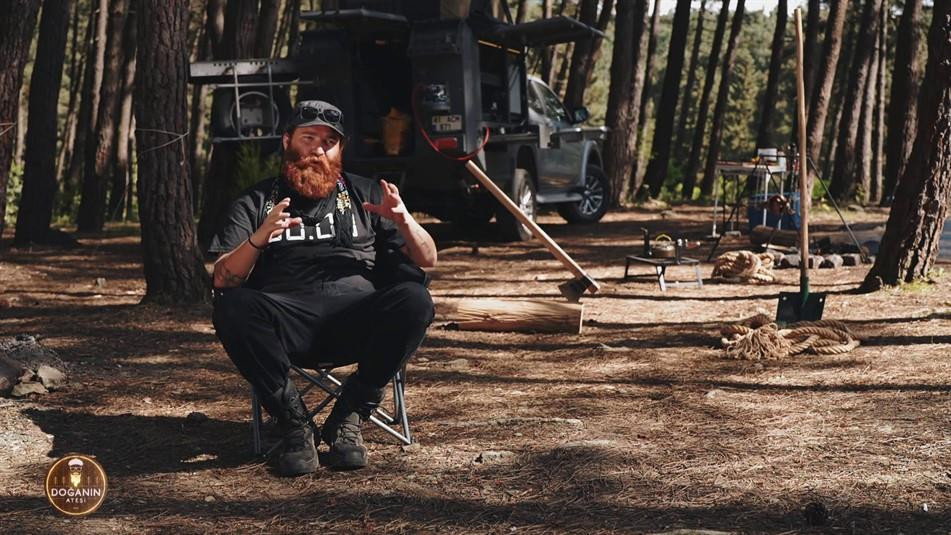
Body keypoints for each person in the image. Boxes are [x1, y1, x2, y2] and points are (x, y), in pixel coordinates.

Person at [209, 100, 437, 477]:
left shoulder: (367, 195)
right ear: (287, 141)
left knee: (415, 299)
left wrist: (405, 221)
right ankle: (294, 423)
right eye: (308, 137)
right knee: (231, 306)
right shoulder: (256, 202)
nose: (318, 149)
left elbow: (428, 260)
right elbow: (222, 279)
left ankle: (349, 414)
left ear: (340, 149)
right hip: (286, 326)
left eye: (329, 141)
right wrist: (259, 238)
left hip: (356, 322)